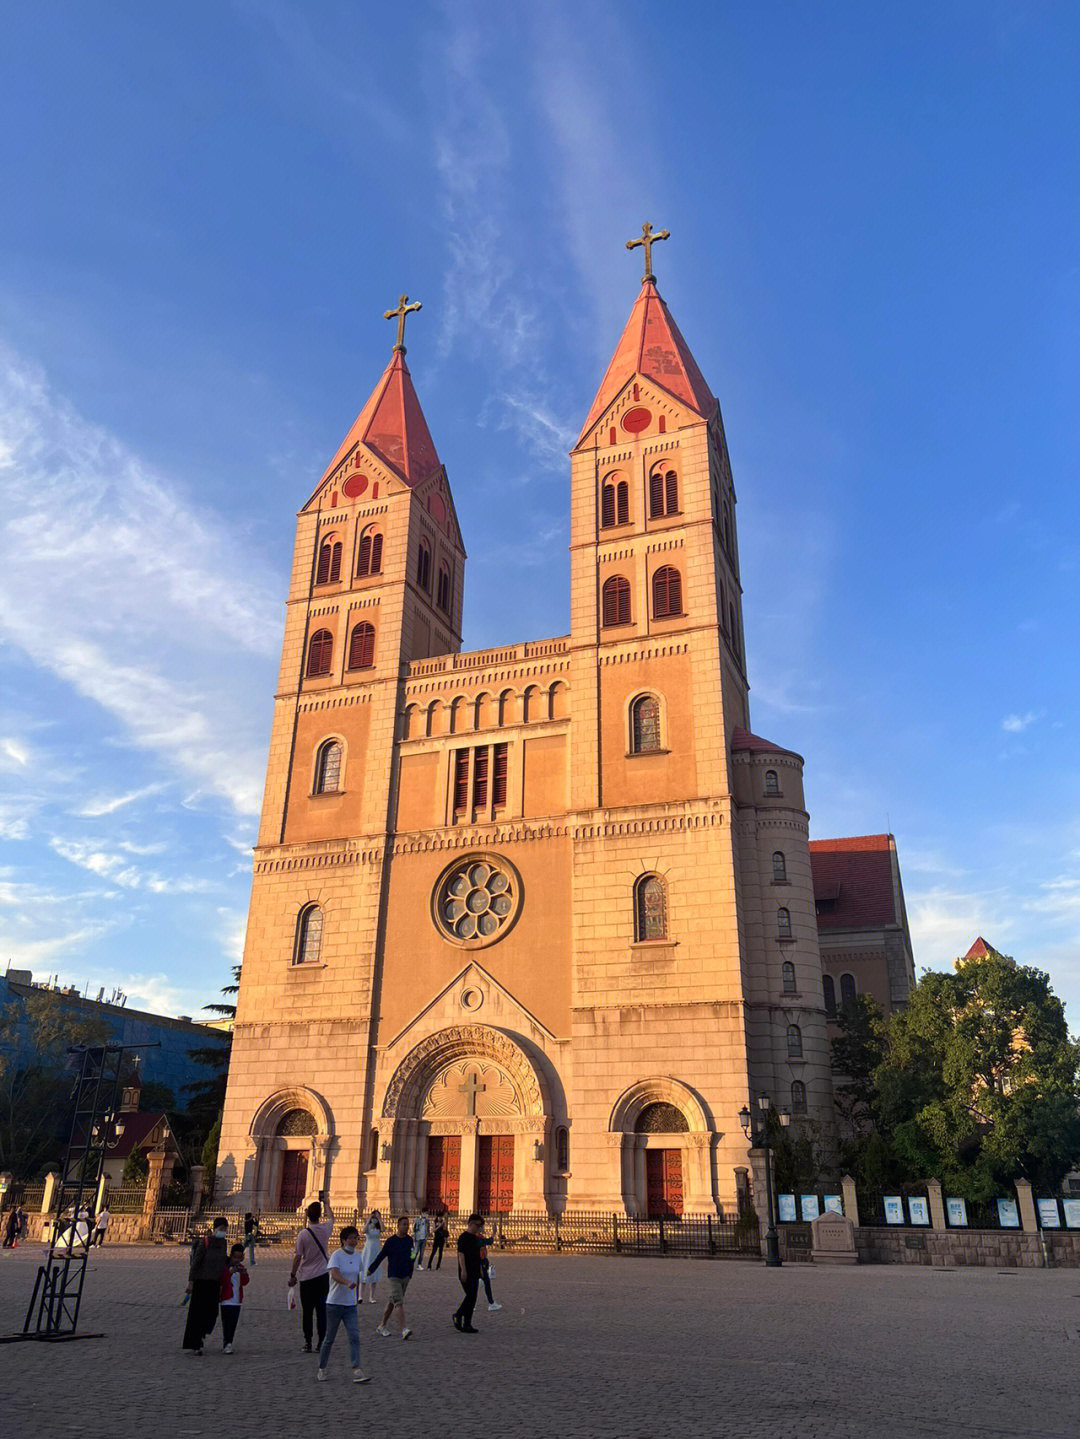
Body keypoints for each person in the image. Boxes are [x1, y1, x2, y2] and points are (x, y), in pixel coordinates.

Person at [316, 1225, 371, 1384]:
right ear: (343, 1240)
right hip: (334, 1303)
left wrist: (357, 1295)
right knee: (329, 1338)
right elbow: (334, 1274)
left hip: (350, 1305)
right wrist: (347, 1283)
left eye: (355, 1238)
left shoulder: (358, 1256)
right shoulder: (336, 1255)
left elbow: (358, 1276)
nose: (354, 1241)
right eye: (351, 1238)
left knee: (354, 1336)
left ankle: (357, 1369)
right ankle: (322, 1367)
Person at [289, 1199, 334, 1353]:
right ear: (320, 1215)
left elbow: (297, 1257)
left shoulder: (303, 1234)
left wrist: (292, 1275)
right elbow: (332, 1218)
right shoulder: (325, 1229)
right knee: (321, 1311)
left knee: (307, 1312)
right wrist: (326, 1203)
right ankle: (321, 1342)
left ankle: (308, 1342)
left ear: (307, 1215)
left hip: (306, 1278)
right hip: (322, 1276)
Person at [184, 1216, 231, 1355]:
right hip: (201, 1282)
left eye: (225, 1229)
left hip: (214, 1282)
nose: (223, 1232)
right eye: (221, 1229)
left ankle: (202, 1333)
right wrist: (191, 1281)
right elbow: (196, 1263)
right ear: (215, 1228)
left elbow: (223, 1259)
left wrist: (234, 1260)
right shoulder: (204, 1242)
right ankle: (196, 1343)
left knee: (212, 1313)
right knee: (198, 1314)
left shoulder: (223, 1243)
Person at [368, 1216, 414, 1341]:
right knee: (399, 1302)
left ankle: (382, 1325)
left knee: (392, 1301)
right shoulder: (391, 1241)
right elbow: (381, 1255)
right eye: (404, 1224)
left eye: (407, 1224)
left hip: (405, 1275)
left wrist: (411, 1270)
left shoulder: (410, 1240)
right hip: (394, 1275)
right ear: (398, 1226)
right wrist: (371, 1268)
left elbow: (412, 1254)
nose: (406, 1227)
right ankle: (404, 1329)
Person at [453, 1213, 495, 1333]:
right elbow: (461, 1255)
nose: (479, 1228)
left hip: (475, 1270)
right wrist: (463, 1270)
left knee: (473, 1297)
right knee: (470, 1296)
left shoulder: (476, 1238)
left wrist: (481, 1270)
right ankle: (458, 1315)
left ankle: (467, 1323)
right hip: (466, 1270)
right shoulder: (463, 1237)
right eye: (478, 1225)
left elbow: (479, 1254)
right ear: (471, 1224)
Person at [219, 1243, 249, 1352]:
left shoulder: (241, 1267)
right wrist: (230, 1272)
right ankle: (226, 1342)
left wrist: (244, 1273)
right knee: (226, 1323)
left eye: (239, 1258)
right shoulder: (225, 1267)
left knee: (233, 1323)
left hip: (236, 1300)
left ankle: (229, 1342)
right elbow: (222, 1280)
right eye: (235, 1257)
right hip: (226, 1300)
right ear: (231, 1256)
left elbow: (245, 1282)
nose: (236, 1260)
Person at [359, 1210, 382, 1304]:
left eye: (375, 1218)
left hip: (376, 1251)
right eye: (374, 1217)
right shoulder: (368, 1226)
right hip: (367, 1251)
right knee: (364, 1271)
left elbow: (383, 1229)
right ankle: (360, 1296)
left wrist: (379, 1219)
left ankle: (371, 1297)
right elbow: (363, 1231)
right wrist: (369, 1219)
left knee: (374, 1272)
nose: (374, 1219)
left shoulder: (379, 1227)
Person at [480, 1233, 502, 1312]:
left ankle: (491, 1303)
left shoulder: (478, 1236)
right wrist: (493, 1233)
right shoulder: (478, 1237)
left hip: (482, 1262)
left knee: (484, 1282)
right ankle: (491, 1303)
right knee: (486, 1282)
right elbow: (488, 1241)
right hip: (480, 1263)